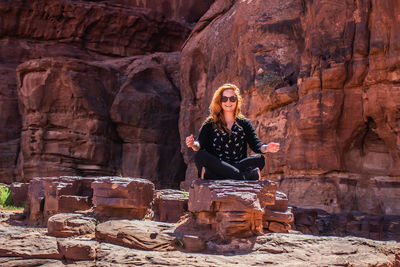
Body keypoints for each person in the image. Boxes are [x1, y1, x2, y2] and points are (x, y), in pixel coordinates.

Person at [185, 83, 280, 180]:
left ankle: (213, 176)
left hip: (237, 164)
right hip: (217, 164)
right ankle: (243, 176)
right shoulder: (210, 123)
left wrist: (267, 147)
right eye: (224, 99)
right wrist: (193, 144)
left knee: (260, 160)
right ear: (220, 101)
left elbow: (256, 144)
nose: (228, 101)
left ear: (237, 101)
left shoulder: (244, 123)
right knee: (200, 156)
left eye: (232, 98)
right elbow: (200, 144)